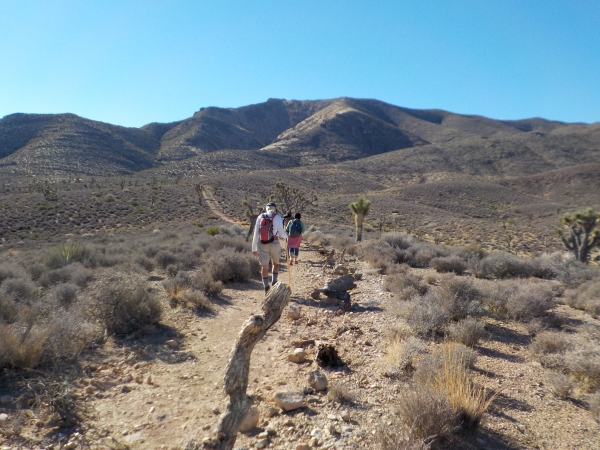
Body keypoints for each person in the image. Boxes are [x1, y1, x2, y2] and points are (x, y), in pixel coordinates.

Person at [252, 202, 288, 294]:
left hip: (262, 243)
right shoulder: (278, 217)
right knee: (275, 263)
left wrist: (254, 248)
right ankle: (274, 283)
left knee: (264, 267)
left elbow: (256, 233)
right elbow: (281, 234)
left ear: (266, 208)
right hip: (274, 242)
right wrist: (286, 236)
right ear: (275, 209)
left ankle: (266, 288)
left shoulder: (260, 217)